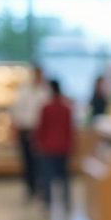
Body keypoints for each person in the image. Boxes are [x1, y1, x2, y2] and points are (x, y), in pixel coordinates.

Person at [9, 66, 49, 199]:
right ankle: (30, 187)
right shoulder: (23, 90)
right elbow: (15, 109)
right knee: (27, 160)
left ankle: (40, 186)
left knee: (40, 160)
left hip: (40, 130)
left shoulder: (45, 90)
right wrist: (15, 128)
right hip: (25, 128)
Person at [33, 79, 73, 208]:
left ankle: (47, 202)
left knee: (47, 176)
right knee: (64, 176)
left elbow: (41, 128)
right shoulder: (66, 108)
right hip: (63, 146)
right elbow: (70, 129)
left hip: (48, 147)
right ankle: (66, 202)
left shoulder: (46, 108)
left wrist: (37, 143)